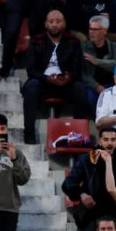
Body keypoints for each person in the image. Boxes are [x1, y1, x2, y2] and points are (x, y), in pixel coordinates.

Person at [20, 9, 89, 145]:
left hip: (65, 84)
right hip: (43, 82)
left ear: (64, 24)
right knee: (31, 86)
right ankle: (29, 133)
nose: (54, 25)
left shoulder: (73, 42)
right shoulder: (36, 41)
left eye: (58, 21)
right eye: (51, 21)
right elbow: (31, 70)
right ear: (46, 24)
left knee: (80, 88)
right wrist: (47, 78)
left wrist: (68, 78)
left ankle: (79, 136)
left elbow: (77, 69)